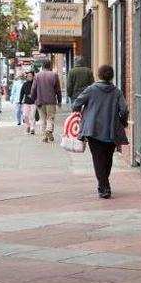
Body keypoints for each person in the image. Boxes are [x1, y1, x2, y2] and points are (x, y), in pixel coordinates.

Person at [73, 64, 128, 199]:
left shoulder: (91, 90)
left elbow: (76, 104)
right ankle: (104, 184)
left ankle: (104, 187)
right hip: (111, 130)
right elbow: (124, 109)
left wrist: (81, 113)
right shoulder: (117, 92)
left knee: (98, 159)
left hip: (93, 131)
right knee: (107, 159)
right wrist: (122, 121)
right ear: (112, 76)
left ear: (98, 75)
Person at [31, 60, 61, 143]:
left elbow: (33, 88)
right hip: (51, 100)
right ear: (50, 66)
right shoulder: (54, 75)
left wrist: (33, 98)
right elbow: (58, 89)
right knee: (50, 117)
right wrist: (59, 100)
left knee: (43, 118)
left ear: (43, 66)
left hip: (40, 100)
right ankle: (49, 130)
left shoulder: (37, 75)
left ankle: (45, 136)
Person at [19, 70, 36, 135]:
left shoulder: (35, 84)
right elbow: (22, 93)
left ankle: (32, 128)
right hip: (26, 102)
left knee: (32, 116)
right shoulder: (25, 84)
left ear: (33, 77)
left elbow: (38, 92)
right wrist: (20, 101)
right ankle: (28, 126)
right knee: (25, 115)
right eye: (28, 76)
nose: (29, 77)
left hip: (33, 102)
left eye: (31, 76)